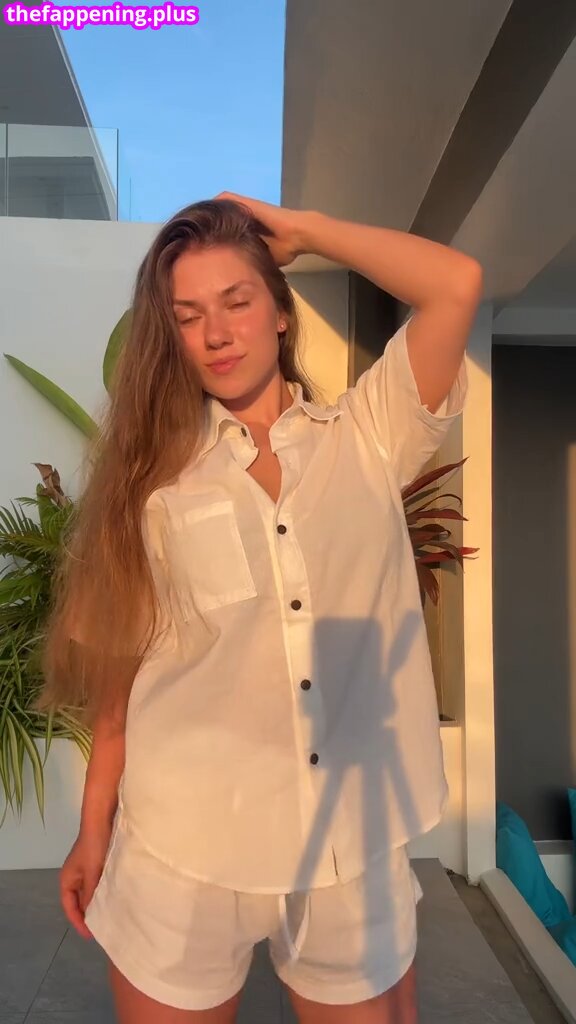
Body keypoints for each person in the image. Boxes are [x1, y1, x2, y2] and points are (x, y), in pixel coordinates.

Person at [39, 193, 482, 1024]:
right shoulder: (150, 487)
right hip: (184, 848)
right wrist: (94, 827)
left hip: (350, 849)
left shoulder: (370, 435)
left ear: (280, 313)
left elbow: (455, 283)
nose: (216, 332)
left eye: (237, 301)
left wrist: (307, 231)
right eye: (188, 316)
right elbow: (122, 684)